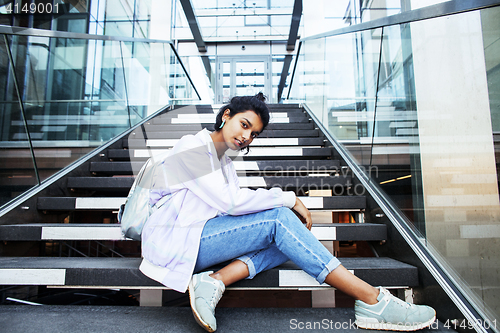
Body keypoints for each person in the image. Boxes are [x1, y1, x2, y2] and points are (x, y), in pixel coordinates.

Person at [139, 93, 436, 332]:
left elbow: (228, 207)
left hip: (201, 237)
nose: (247, 137)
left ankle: (215, 280)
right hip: (174, 240)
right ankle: (372, 298)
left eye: (253, 133)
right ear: (226, 115)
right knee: (281, 219)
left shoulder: (225, 164)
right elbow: (231, 204)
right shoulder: (192, 147)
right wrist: (289, 198)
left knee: (292, 234)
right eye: (244, 125)